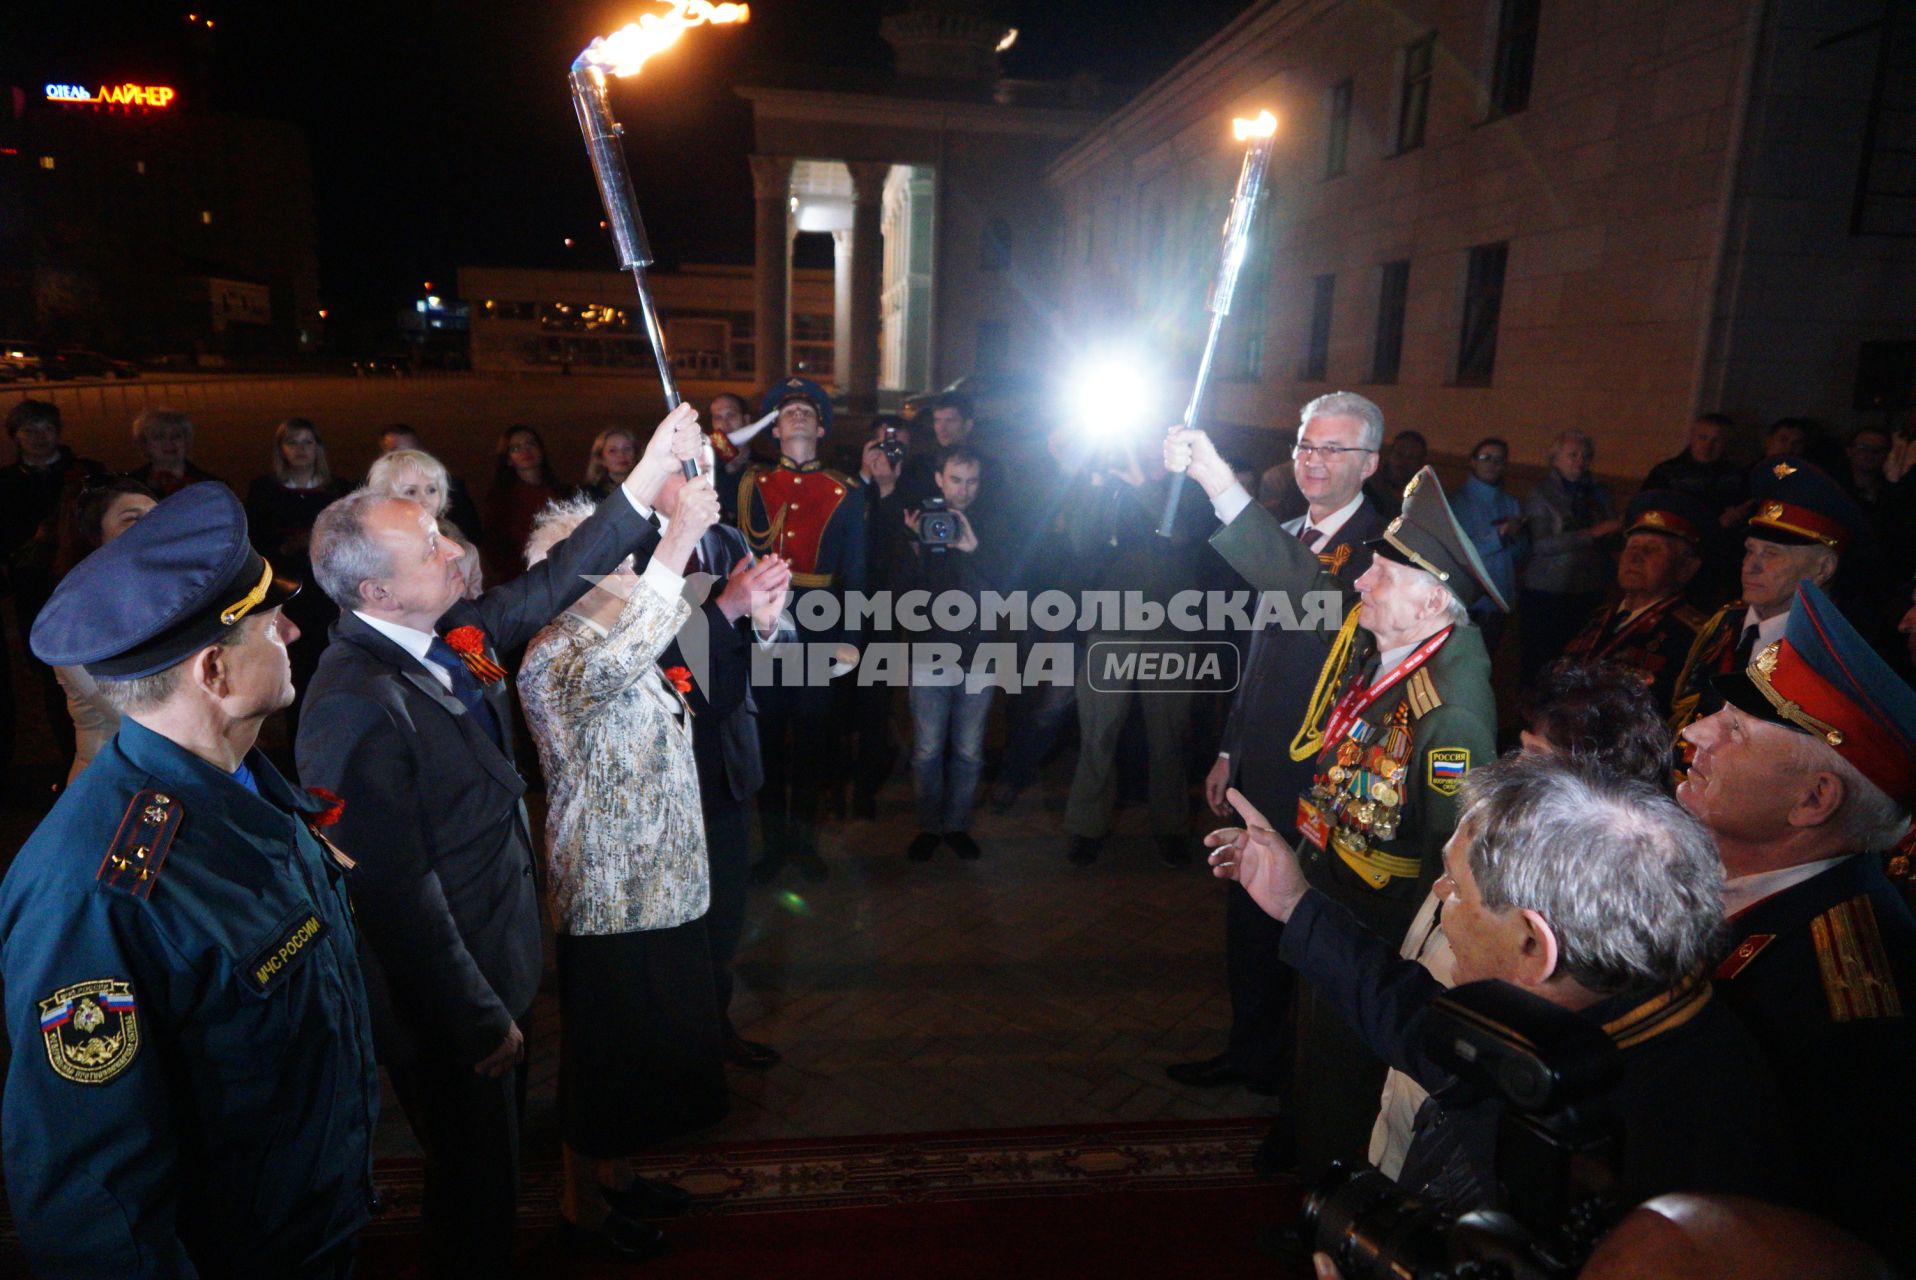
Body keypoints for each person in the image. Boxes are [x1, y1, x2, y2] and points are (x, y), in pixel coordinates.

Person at [296, 403, 698, 1278]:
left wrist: (643, 480)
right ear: (376, 592)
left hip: (497, 962)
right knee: (474, 1193)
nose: (453, 549)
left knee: (493, 1171)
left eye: (439, 529)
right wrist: (476, 1014)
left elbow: (553, 585)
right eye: (430, 547)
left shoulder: (438, 632)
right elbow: (394, 892)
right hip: (453, 1001)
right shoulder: (352, 704)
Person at [2, 483, 377, 1277]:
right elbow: (93, 1198)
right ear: (213, 670)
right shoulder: (94, 894)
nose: (293, 630)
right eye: (270, 622)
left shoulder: (248, 787)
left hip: (313, 1230)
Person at [1208, 752, 1799, 1217]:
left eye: (1456, 887)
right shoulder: (1613, 1005)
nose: (1440, 896)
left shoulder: (1649, 1150)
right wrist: (1294, 904)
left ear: (1533, 946)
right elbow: (1425, 1025)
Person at [1166, 419, 1502, 1178]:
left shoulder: (1450, 710)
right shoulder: (1400, 642)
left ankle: (1334, 1186)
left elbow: (1443, 872)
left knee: (1351, 1079)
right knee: (1321, 1064)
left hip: (1376, 930)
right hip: (1333, 894)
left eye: (1378, 577)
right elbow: (1304, 593)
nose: (1361, 583)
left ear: (1426, 602)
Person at [516, 486, 729, 1258]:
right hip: (608, 895)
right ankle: (583, 1211)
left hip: (665, 885)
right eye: (618, 564)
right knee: (601, 1066)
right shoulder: (552, 659)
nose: (634, 571)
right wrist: (678, 538)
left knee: (640, 1056)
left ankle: (619, 1176)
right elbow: (637, 636)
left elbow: (680, 646)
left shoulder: (625, 642)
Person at [1678, 580, 1916, 1264]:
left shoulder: (1842, 992)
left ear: (1814, 800)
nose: (1696, 732)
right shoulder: (1721, 871)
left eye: (1737, 731)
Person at [1367, 659, 1674, 1180]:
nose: (1512, 768)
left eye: (1535, 757)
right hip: (1413, 1114)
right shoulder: (1491, 840)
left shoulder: (1574, 914)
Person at [1167, 392, 1387, 1107]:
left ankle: (1302, 1087)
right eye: (1305, 445)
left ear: (1371, 463)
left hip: (1324, 778)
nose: (1313, 461)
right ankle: (1252, 1051)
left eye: (1333, 449)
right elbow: (1259, 657)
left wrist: (1217, 483)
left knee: (1308, 930)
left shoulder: (1382, 551)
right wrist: (1230, 750)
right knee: (1248, 920)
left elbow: (1312, 598)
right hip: (1258, 766)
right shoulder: (1290, 530)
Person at [650, 459, 793, 1068]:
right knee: (670, 923)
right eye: (686, 467)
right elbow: (654, 662)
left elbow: (780, 649)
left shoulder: (730, 541)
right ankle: (674, 1046)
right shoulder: (627, 551)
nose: (704, 476)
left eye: (707, 464)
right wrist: (728, 608)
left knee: (724, 915)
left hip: (727, 764)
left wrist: (766, 626)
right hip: (661, 768)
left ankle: (714, 1031)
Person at [1062, 410, 1215, 866]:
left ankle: (1170, 826)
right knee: (1098, 731)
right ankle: (1086, 827)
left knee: (1167, 735)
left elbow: (1184, 533)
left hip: (1171, 626)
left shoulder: (1190, 484)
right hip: (1112, 622)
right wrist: (1094, 486)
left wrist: (1143, 485)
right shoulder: (1108, 487)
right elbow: (1080, 544)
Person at [731, 377, 867, 883]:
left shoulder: (844, 492)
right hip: (765, 618)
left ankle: (803, 842)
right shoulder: (749, 483)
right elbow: (711, 454)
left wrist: (851, 639)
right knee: (765, 737)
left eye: (807, 410)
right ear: (772, 429)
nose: (797, 415)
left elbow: (855, 573)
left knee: (812, 739)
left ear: (823, 426)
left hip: (818, 622)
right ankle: (772, 844)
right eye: (785, 411)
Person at [1669, 457, 1864, 738]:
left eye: (1772, 554)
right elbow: (1684, 710)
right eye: (1750, 550)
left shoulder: (1835, 650)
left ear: (1823, 568)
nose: (1751, 565)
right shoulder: (1726, 624)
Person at [899, 446, 999, 861]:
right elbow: (904, 595)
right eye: (956, 479)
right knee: (926, 750)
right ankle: (928, 826)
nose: (965, 489)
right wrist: (915, 545)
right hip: (928, 653)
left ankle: (956, 825)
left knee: (968, 750)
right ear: (939, 479)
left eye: (972, 480)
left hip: (980, 655)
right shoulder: (922, 523)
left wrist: (974, 551)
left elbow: (1007, 592)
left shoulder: (995, 525)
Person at [0, 399, 105, 772]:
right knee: (55, 682)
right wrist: (33, 539)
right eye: (29, 430)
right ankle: (70, 762)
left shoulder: (87, 474)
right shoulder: (7, 483)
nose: (39, 437)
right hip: (38, 594)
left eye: (46, 428)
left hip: (88, 589)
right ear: (16, 437)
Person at [246, 417, 354, 734]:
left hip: (330, 594)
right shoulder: (265, 491)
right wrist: (288, 545)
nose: (301, 449)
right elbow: (257, 541)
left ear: (318, 447)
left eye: (308, 442)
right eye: (293, 442)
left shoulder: (339, 489)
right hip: (290, 595)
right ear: (281, 449)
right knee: (299, 675)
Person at [1558, 489, 1711, 710]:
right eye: (1632, 546)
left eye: (1653, 549)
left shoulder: (1691, 635)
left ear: (1685, 568)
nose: (1636, 556)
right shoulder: (1598, 617)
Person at [52, 479, 158, 781]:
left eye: (156, 517)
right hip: (111, 780)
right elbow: (130, 714)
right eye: (132, 519)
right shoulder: (74, 614)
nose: (151, 528)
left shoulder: (167, 599)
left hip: (169, 777)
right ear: (94, 537)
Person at [1519, 428, 1620, 685]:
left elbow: (1612, 532)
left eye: (1584, 456)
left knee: (1578, 660)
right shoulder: (1542, 494)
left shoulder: (1598, 494)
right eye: (1571, 455)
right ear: (1555, 458)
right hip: (1549, 589)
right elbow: (1541, 544)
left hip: (1589, 587)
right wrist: (1592, 534)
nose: (1579, 461)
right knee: (1541, 660)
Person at [366, 448, 485, 599]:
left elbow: (477, 613)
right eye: (410, 492)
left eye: (431, 490)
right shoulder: (364, 556)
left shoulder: (465, 552)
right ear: (384, 498)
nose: (425, 500)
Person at [1445, 436, 1524, 653]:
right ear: (1472, 461)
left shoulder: (1511, 502)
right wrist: (1499, 536)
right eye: (1485, 457)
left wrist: (1518, 538)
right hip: (1467, 599)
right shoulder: (1456, 502)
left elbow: (1517, 554)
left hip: (1499, 597)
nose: (1492, 463)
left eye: (1499, 459)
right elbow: (1458, 551)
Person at [481, 424, 566, 585]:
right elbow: (497, 550)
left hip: (562, 570)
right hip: (524, 578)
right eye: (516, 448)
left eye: (531, 444)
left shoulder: (561, 492)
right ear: (508, 459)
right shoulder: (501, 500)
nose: (525, 451)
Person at [380, 423, 483, 536]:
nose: (407, 457)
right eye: (410, 492)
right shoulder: (370, 494)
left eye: (431, 490)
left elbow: (473, 533)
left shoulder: (452, 487)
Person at [129, 408, 223, 498]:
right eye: (159, 437)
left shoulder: (212, 487)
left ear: (187, 442)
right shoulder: (130, 486)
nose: (169, 442)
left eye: (177, 436)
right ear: (144, 444)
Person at [1361, 429, 1426, 517]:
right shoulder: (1367, 487)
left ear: (1419, 464)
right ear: (1390, 454)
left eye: (1411, 458)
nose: (1403, 461)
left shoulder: (1424, 496)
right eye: (1399, 454)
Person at [579, 426, 638, 501]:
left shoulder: (649, 489)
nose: (621, 455)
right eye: (612, 451)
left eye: (627, 449)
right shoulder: (588, 494)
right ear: (601, 458)